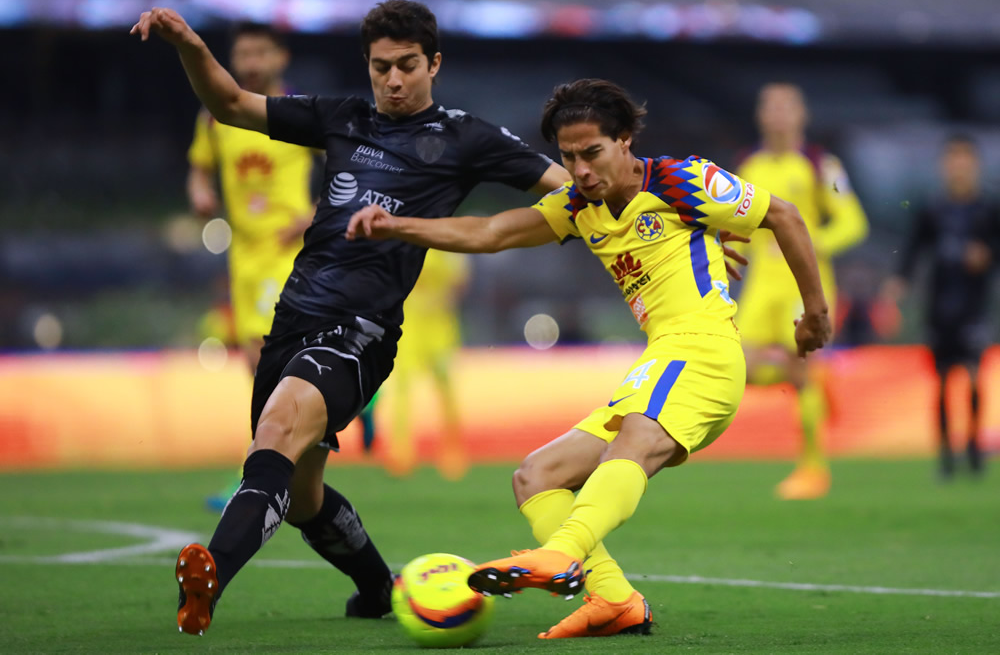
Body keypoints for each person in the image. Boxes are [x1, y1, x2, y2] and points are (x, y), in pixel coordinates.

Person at [131, 0, 569, 636]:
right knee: (304, 496)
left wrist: (656, 220)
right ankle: (377, 589)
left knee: (277, 430)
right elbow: (229, 104)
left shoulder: (465, 136)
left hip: (360, 329)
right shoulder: (342, 117)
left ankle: (209, 574)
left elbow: (569, 190)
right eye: (381, 67)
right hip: (292, 319)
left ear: (434, 64)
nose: (393, 80)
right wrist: (188, 44)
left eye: (407, 66)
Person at [346, 78, 831, 639]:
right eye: (568, 157)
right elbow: (491, 231)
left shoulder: (683, 181)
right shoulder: (579, 207)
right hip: (662, 361)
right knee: (537, 476)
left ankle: (561, 553)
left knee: (634, 439)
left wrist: (815, 314)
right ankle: (614, 599)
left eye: (592, 153)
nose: (579, 169)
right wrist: (396, 226)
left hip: (704, 353)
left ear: (625, 141)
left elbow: (786, 216)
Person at [185, 22, 320, 512]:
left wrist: (314, 213)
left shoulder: (299, 113)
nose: (251, 63)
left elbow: (352, 164)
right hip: (243, 257)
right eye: (242, 53)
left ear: (280, 57)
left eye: (261, 52)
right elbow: (200, 168)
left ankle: (258, 470)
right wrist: (201, 192)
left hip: (287, 254)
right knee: (253, 361)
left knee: (265, 359)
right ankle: (278, 460)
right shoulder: (215, 115)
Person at [734, 83, 868, 500]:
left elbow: (852, 222)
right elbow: (735, 227)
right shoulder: (747, 168)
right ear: (759, 116)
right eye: (769, 107)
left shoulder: (820, 166)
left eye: (785, 107)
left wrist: (811, 245)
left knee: (802, 364)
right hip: (760, 286)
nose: (776, 114)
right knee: (737, 372)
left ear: (801, 115)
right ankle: (817, 381)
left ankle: (813, 468)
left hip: (803, 283)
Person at [882, 135, 1000, 479]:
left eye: (964, 160)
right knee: (943, 379)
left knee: (976, 376)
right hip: (940, 303)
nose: (958, 167)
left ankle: (975, 446)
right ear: (945, 166)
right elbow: (913, 250)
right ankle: (946, 455)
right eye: (952, 160)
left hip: (974, 304)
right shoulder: (932, 207)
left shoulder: (988, 208)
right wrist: (898, 283)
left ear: (974, 166)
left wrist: (988, 255)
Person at [386, 249, 471, 479]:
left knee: (444, 390)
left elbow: (459, 284)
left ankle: (452, 453)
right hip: (412, 325)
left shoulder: (449, 243)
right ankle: (400, 453)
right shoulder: (410, 239)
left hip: (438, 326)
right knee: (404, 388)